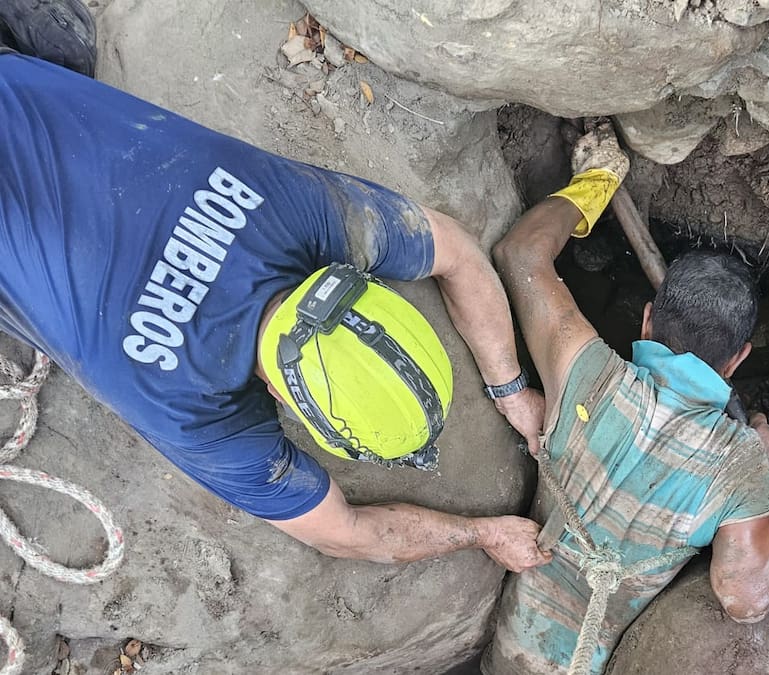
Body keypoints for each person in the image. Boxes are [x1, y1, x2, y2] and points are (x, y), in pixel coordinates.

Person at [0, 1, 551, 572]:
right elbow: (346, 534)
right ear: (291, 403)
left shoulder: (291, 208)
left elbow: (454, 251)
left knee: (63, 49)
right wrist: (484, 533)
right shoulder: (185, 405)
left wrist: (510, 388)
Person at [483, 123, 769, 675]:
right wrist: (766, 472)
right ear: (739, 358)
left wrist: (596, 182)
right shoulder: (738, 464)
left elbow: (521, 254)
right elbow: (746, 597)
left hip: (509, 646)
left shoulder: (586, 372)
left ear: (648, 318)